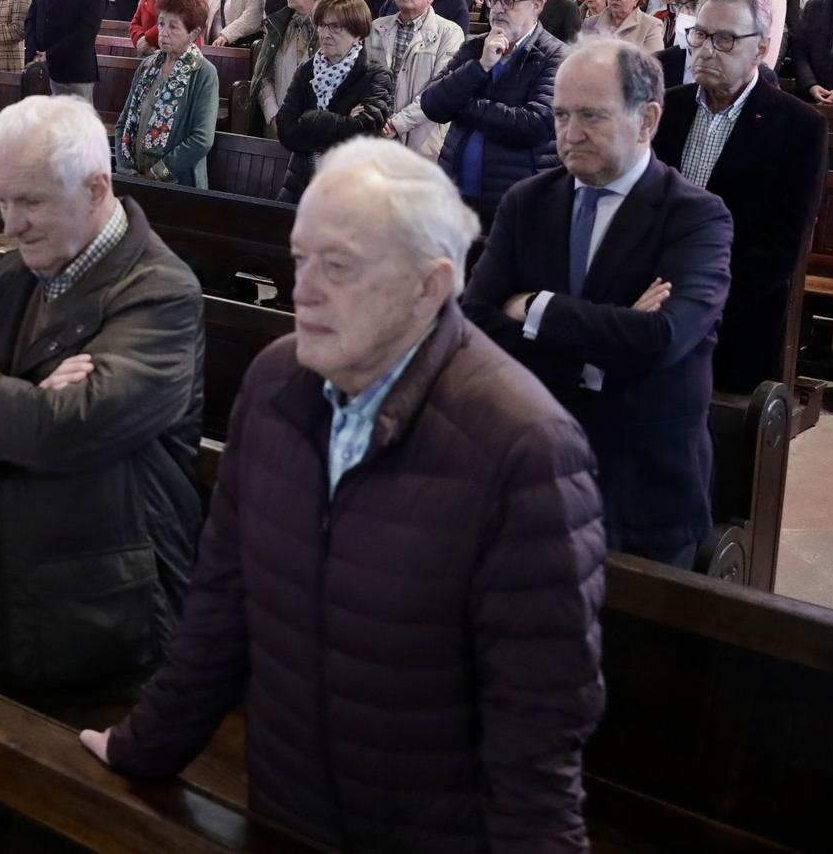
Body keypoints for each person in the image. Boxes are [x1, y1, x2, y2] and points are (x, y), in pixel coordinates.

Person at [80, 139, 605, 849]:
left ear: (431, 285)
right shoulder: (273, 386)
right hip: (283, 812)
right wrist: (143, 746)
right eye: (300, 259)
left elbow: (536, 731)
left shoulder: (523, 446)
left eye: (339, 267)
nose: (303, 289)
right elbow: (220, 608)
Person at [0, 96, 204, 716]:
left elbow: (64, 431)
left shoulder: (160, 293)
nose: (10, 224)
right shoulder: (9, 278)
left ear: (97, 189)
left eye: (31, 201)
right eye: (3, 199)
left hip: (99, 615)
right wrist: (24, 410)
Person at [462, 39, 732, 563]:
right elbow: (474, 324)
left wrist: (536, 308)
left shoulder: (696, 217)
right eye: (561, 114)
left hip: (642, 493)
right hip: (532, 473)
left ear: (648, 119)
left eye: (591, 115)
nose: (570, 133)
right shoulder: (527, 202)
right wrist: (612, 337)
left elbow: (660, 340)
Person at [655, 0, 827, 394]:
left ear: (762, 47)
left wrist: (700, 304)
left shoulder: (799, 126)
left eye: (726, 39)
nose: (707, 49)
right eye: (700, 34)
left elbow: (783, 246)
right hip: (652, 307)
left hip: (737, 319)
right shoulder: (667, 108)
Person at [422, 0, 568, 221]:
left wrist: (461, 105)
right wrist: (480, 67)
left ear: (537, 5)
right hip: (455, 194)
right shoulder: (476, 48)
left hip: (515, 200)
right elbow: (431, 103)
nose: (498, 8)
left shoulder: (556, 56)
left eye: (510, 0)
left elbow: (533, 124)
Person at [274, 0, 393, 202]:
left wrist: (310, 119)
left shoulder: (375, 74)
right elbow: (285, 129)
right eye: (321, 25)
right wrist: (345, 121)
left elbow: (366, 131)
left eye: (335, 27)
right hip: (301, 182)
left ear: (358, 33)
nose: (325, 34)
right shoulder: (307, 70)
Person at [114, 0, 220, 185]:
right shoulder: (147, 65)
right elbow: (123, 122)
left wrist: (157, 173)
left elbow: (201, 139)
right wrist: (125, 168)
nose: (163, 33)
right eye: (161, 24)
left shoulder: (204, 73)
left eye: (173, 27)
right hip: (134, 177)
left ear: (193, 32)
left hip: (179, 183)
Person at [369, 0, 465, 160]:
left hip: (421, 139)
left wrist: (398, 123)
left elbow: (440, 89)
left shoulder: (449, 32)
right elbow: (364, 78)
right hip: (377, 131)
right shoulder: (377, 27)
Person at [249, 0, 335, 135]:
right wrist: (273, 115)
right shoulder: (280, 23)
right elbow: (263, 74)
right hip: (275, 125)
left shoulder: (333, 32)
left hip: (312, 130)